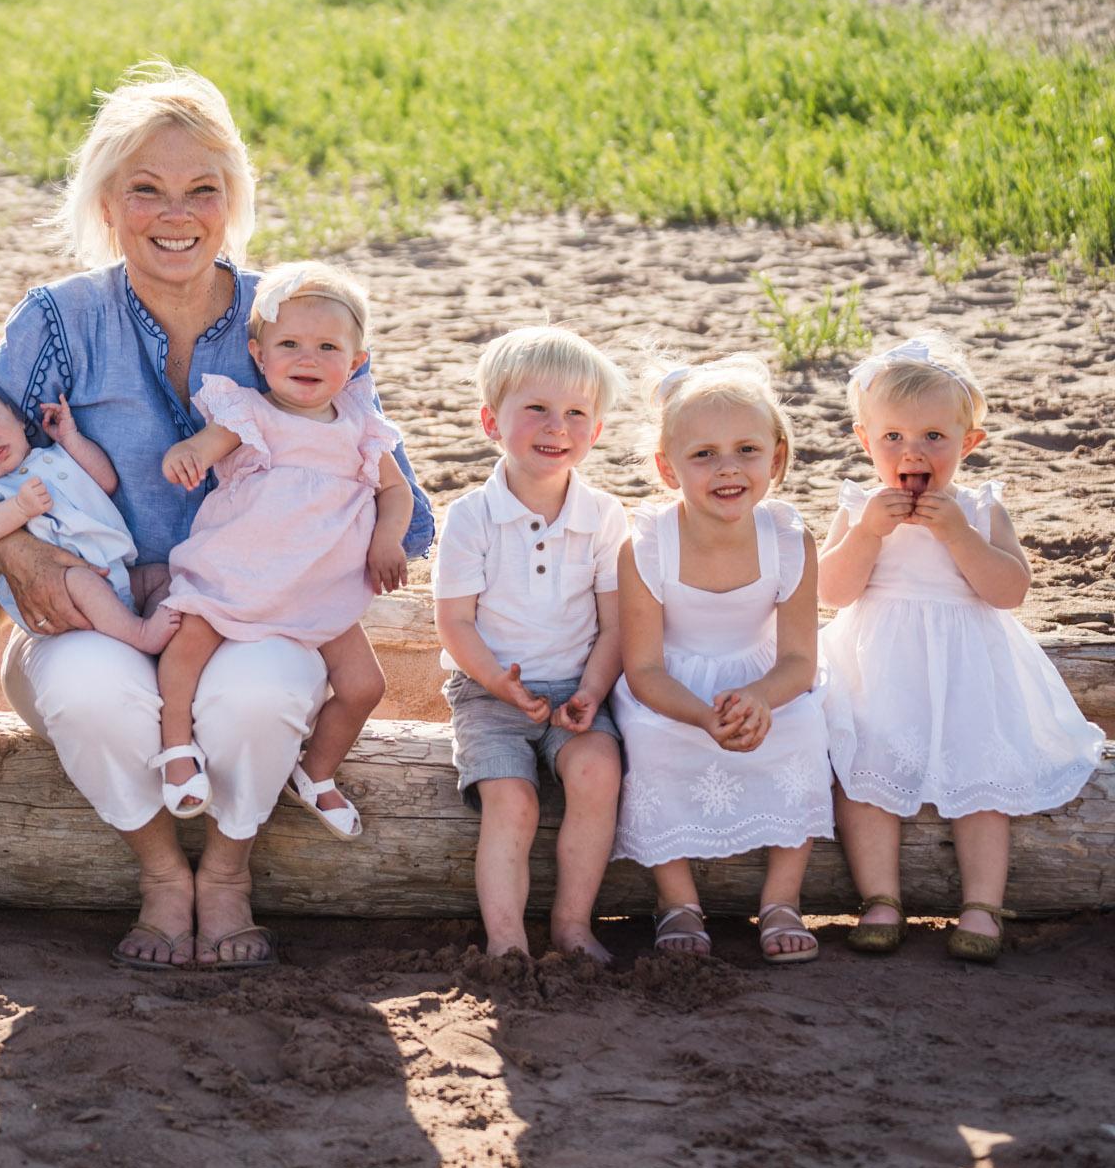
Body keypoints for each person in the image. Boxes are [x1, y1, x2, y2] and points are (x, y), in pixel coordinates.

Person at [0, 65, 435, 969]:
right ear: (108, 204)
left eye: (203, 190)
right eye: (145, 190)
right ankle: (160, 870)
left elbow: (404, 501)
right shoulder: (57, 318)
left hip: (255, 610)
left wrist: (296, 563)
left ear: (232, 201)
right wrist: (25, 560)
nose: (175, 213)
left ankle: (228, 871)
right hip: (99, 602)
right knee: (87, 688)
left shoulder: (298, 315)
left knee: (265, 689)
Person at [819, 335, 1103, 964]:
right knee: (861, 772)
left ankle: (981, 904)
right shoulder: (859, 507)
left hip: (967, 668)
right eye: (891, 438)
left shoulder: (978, 506)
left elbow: (1010, 591)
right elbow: (833, 590)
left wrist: (959, 537)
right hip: (880, 668)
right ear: (865, 442)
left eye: (932, 438)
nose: (910, 452)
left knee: (984, 779)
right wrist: (868, 532)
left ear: (967, 443)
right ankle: (881, 899)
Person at [155, 262, 412, 832]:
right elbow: (204, 444)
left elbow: (397, 493)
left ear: (357, 363)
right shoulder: (253, 415)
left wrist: (385, 539)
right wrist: (188, 457)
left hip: (319, 589)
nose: (307, 359)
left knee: (365, 686)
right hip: (239, 575)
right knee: (188, 646)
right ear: (259, 354)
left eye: (328, 347)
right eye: (290, 344)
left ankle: (315, 771)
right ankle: (176, 749)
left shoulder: (360, 428)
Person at [610, 354, 833, 964]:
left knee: (808, 728)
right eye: (703, 454)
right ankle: (677, 900)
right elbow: (644, 670)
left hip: (763, 677)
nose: (727, 468)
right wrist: (704, 716)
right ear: (667, 467)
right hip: (672, 685)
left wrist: (761, 697)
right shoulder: (649, 544)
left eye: (747, 450)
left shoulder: (789, 540)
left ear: (777, 458)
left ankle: (783, 898)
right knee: (650, 740)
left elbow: (797, 659)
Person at [432, 326, 628, 962]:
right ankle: (508, 944)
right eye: (536, 409)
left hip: (577, 689)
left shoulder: (604, 516)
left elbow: (615, 622)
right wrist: (497, 682)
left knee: (597, 772)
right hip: (489, 691)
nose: (557, 427)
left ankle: (573, 926)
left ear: (595, 431)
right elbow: (455, 623)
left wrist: (593, 692)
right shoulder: (470, 516)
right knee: (511, 801)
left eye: (576, 413)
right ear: (492, 421)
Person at [0, 384, 180, 655]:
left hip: (117, 572)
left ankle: (152, 639)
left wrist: (71, 438)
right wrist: (19, 508)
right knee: (83, 582)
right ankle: (140, 634)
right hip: (66, 584)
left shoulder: (56, 455)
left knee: (161, 577)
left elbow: (107, 482)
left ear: (18, 419)